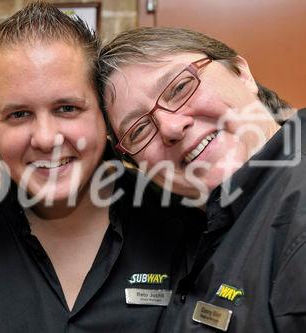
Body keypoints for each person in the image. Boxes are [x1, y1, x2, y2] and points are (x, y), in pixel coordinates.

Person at [0, 2, 202, 332]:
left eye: (67, 108)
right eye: (18, 114)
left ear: (103, 111)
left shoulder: (183, 221)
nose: (45, 138)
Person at [99, 26, 305, 332]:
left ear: (240, 73)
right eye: (139, 130)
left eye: (180, 88)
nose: (170, 128)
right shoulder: (202, 222)